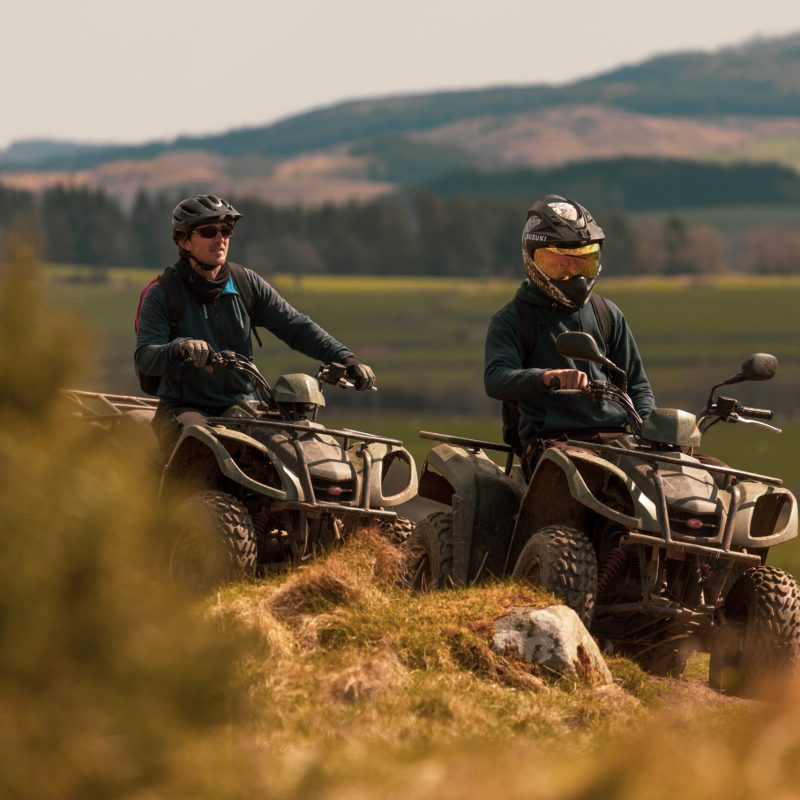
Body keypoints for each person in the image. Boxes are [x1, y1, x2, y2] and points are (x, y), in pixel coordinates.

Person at [135, 194, 375, 451]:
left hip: (244, 406)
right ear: (184, 241)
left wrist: (345, 359)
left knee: (298, 450)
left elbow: (296, 326)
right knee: (202, 447)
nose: (220, 239)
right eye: (208, 231)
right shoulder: (162, 293)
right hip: (185, 409)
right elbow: (145, 356)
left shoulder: (245, 283)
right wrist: (180, 347)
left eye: (226, 231)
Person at [484, 194, 655, 477]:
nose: (573, 274)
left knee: (708, 473)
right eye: (559, 264)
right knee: (593, 479)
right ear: (532, 259)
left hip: (618, 439)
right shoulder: (512, 319)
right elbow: (496, 378)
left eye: (582, 262)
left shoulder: (606, 312)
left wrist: (652, 428)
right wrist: (548, 377)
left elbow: (637, 386)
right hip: (552, 443)